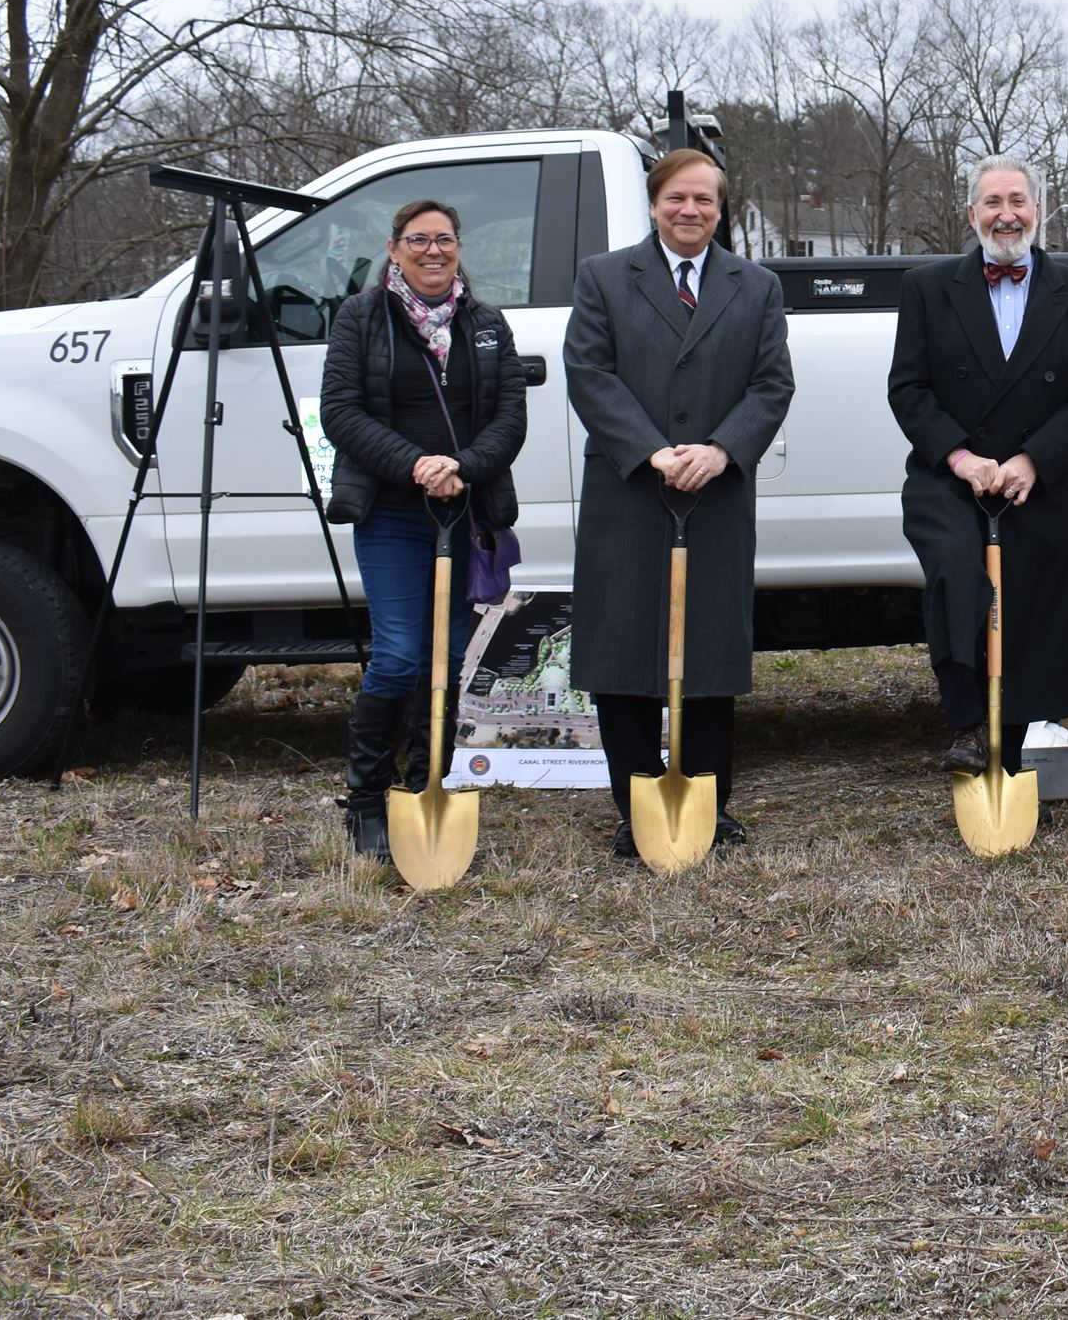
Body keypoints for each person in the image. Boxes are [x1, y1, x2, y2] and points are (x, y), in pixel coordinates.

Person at [564, 149, 795, 862]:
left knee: (709, 649)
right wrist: (652, 450)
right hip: (630, 488)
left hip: (715, 493)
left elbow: (772, 383)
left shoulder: (754, 286)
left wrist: (723, 449)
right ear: (654, 202)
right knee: (624, 643)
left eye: (704, 200)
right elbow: (589, 371)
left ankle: (706, 803)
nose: (690, 211)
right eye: (676, 199)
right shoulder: (605, 277)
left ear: (720, 209)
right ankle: (636, 803)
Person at [888, 155, 1068, 773]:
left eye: (1018, 201)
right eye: (993, 202)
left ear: (1038, 211)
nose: (1006, 214)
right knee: (961, 574)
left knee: (1030, 602)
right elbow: (908, 390)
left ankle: (1009, 749)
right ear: (972, 214)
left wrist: (1032, 461)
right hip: (950, 480)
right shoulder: (927, 289)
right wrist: (961, 457)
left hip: (1036, 482)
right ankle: (967, 722)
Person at [320, 198, 528, 863]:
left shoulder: (487, 324)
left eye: (443, 239)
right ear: (393, 247)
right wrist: (415, 465)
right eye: (418, 240)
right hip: (391, 514)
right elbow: (341, 413)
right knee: (401, 654)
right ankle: (364, 800)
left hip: (465, 515)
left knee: (452, 658)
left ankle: (427, 786)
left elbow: (509, 417)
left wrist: (463, 466)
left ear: (458, 247)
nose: (432, 251)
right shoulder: (359, 317)